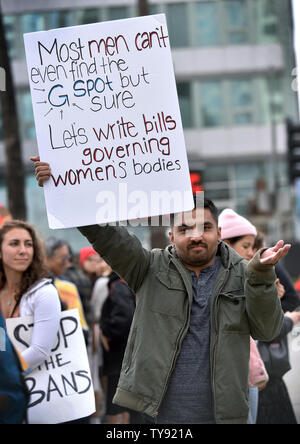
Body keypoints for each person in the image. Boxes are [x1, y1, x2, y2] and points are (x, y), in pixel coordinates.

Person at [34, 159, 288, 424]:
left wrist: (261, 277)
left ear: (220, 233)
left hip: (225, 416)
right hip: (158, 416)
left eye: (205, 227)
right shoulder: (148, 268)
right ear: (171, 236)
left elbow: (267, 330)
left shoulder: (245, 273)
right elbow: (105, 234)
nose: (195, 236)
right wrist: (63, 187)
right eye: (184, 229)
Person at [218, 208, 268, 425]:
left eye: (252, 246)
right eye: (245, 246)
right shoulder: (218, 281)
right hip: (230, 377)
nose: (251, 252)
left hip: (247, 374)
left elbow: (263, 326)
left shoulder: (247, 276)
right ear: (226, 244)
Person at [0, 220, 61, 373]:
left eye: (28, 244)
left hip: (40, 391)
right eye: (14, 244)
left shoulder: (44, 292)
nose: (23, 251)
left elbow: (39, 351)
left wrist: (6, 374)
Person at [100, 271, 136, 424]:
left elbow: (124, 317)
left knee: (115, 400)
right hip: (132, 350)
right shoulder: (130, 283)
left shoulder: (119, 285)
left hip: (119, 351)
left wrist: (109, 333)